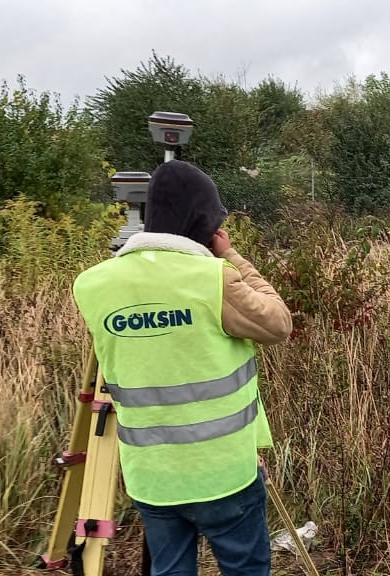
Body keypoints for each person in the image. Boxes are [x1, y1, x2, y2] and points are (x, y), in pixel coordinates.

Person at [72, 160, 292, 576]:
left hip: (152, 479)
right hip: (224, 474)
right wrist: (230, 255)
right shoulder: (213, 278)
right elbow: (278, 324)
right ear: (204, 223)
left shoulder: (92, 284)